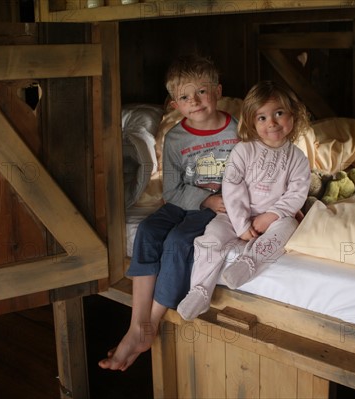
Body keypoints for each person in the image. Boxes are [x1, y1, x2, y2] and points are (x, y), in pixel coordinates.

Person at [99, 54, 239, 371]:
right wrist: (202, 200)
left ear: (218, 91)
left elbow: (245, 176)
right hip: (185, 201)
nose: (195, 101)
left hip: (217, 205)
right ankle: (137, 324)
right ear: (174, 104)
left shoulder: (237, 133)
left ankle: (151, 322)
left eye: (202, 92)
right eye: (185, 96)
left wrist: (219, 202)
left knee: (177, 242)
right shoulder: (175, 138)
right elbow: (170, 189)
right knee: (148, 232)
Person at [177, 80, 311, 321]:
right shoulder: (244, 151)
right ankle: (199, 290)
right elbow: (232, 186)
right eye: (262, 117)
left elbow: (297, 193)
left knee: (288, 229)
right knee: (210, 238)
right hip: (233, 215)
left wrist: (270, 217)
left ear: (293, 115)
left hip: (274, 217)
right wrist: (241, 224)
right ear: (251, 122)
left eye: (279, 113)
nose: (271, 122)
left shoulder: (298, 158)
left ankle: (248, 263)